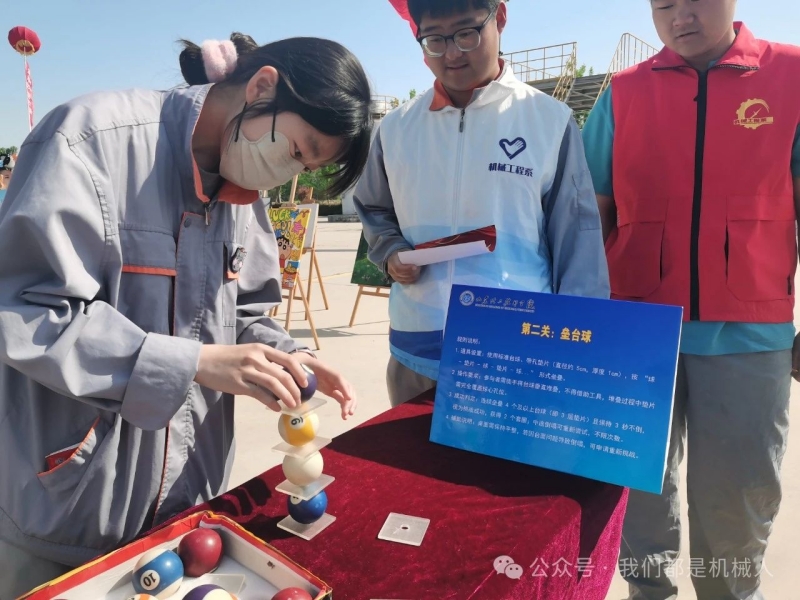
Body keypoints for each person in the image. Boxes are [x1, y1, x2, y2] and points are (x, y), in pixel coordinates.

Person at [0, 32, 372, 598]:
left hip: (191, 501)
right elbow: (27, 310)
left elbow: (245, 308)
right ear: (262, 87)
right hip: (70, 504)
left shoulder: (244, 189)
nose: (285, 175)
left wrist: (287, 355)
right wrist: (192, 362)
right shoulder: (88, 142)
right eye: (299, 151)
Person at [582, 1, 800, 598]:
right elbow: (590, 215)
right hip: (635, 334)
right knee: (637, 498)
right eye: (664, 4)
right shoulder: (622, 93)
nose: (680, 16)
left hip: (749, 336)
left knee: (738, 502)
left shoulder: (791, 77)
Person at [355, 0, 609, 407]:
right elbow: (374, 208)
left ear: (499, 18)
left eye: (466, 33)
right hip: (417, 344)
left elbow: (578, 244)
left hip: (515, 346)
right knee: (406, 450)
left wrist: (577, 343)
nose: (452, 53)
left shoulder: (549, 121)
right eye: (435, 40)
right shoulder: (396, 128)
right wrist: (390, 251)